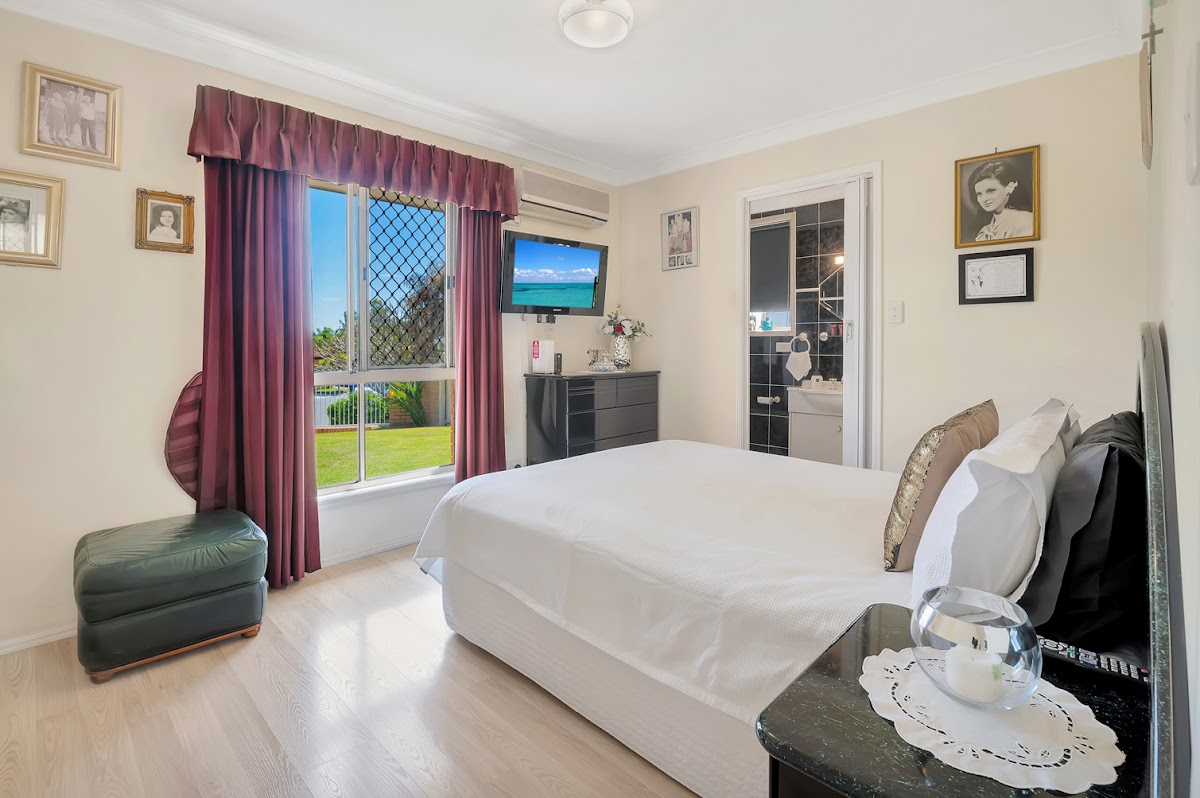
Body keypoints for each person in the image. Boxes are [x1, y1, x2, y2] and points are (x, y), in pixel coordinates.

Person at [969, 160, 1034, 242]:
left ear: (1010, 187)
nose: (984, 199)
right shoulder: (985, 230)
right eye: (979, 194)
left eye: (990, 191)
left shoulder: (1025, 220)